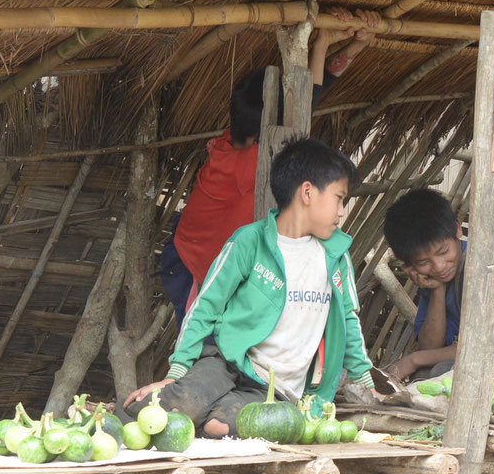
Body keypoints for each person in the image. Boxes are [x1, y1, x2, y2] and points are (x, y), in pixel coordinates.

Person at [128, 137, 374, 435]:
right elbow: (206, 306)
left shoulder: (336, 255)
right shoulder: (248, 242)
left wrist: (365, 380)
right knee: (181, 405)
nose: (341, 212)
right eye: (339, 197)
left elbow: (348, 319)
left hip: (276, 389)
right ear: (308, 192)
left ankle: (202, 412)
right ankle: (120, 415)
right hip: (227, 363)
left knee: (222, 425)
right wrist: (177, 372)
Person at [160, 14, 376, 312]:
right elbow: (306, 104)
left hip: (204, 257)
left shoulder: (236, 140)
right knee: (209, 351)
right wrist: (325, 44)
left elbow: (308, 98)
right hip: (194, 267)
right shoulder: (253, 163)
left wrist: (338, 45)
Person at [380, 188, 494, 388]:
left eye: (443, 251)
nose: (439, 266)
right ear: (409, 264)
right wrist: (438, 290)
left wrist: (411, 360)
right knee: (425, 375)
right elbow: (430, 347)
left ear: (458, 229)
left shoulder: (487, 264)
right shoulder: (434, 279)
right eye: (423, 262)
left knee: (442, 374)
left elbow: (478, 348)